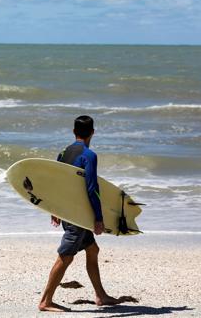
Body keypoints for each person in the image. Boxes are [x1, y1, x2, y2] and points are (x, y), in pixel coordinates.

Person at [39, 115, 121, 312]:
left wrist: (54, 209)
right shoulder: (89, 155)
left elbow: (57, 183)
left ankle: (101, 296)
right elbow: (92, 189)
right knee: (66, 256)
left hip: (69, 212)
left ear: (74, 132)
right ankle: (45, 301)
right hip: (79, 215)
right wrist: (99, 218)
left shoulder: (63, 152)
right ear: (93, 132)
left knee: (92, 250)